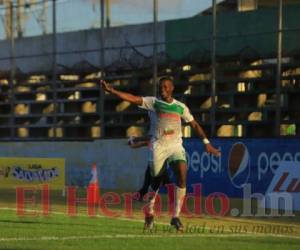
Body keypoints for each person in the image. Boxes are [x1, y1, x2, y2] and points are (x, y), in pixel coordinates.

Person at [100, 76, 221, 232]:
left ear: (172, 88)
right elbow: (133, 99)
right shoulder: (154, 103)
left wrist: (207, 144)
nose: (162, 89)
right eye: (160, 87)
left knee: (183, 174)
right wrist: (112, 90)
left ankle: (176, 217)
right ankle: (149, 212)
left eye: (165, 87)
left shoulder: (180, 107)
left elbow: (194, 124)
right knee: (155, 181)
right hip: (159, 147)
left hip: (176, 146)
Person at [128, 111, 170, 201]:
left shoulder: (159, 132)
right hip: (152, 161)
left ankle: (145, 195)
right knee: (150, 180)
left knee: (164, 181)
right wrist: (132, 144)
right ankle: (142, 194)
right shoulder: (152, 134)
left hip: (160, 160)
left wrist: (135, 139)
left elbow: (149, 138)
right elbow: (141, 144)